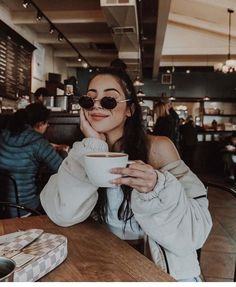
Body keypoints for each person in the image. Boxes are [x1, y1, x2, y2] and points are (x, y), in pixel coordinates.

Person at [40, 67, 212, 282]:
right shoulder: (85, 150)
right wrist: (93, 144)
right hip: (102, 260)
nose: (96, 105)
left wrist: (157, 187)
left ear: (129, 109)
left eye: (109, 100)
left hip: (157, 265)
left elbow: (196, 231)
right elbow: (63, 214)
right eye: (89, 99)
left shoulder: (157, 148)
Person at [0, 103, 64, 216]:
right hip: (25, 208)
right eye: (46, 123)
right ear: (40, 124)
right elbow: (62, 169)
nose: (48, 125)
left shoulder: (5, 134)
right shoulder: (38, 142)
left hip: (3, 207)